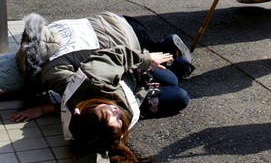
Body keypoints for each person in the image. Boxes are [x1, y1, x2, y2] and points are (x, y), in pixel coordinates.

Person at [5, 12, 193, 116]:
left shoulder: (51, 73)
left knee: (175, 90)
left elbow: (81, 100)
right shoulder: (44, 34)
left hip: (128, 47)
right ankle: (166, 49)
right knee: (171, 79)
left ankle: (170, 59)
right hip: (121, 21)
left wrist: (43, 109)